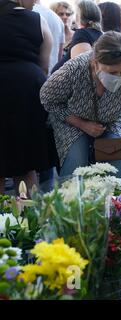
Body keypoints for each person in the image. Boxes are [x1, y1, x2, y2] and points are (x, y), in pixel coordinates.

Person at [40, 31, 121, 187]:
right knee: (77, 160)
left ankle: (115, 205)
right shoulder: (74, 70)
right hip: (71, 119)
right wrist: (82, 124)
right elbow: (47, 99)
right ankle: (73, 205)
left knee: (116, 164)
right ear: (95, 63)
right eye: (112, 72)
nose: (119, 77)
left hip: (111, 121)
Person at [0, 0, 57, 194]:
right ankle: (29, 220)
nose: (36, 2)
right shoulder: (38, 20)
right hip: (28, 92)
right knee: (26, 164)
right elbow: (44, 65)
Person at [51, 0, 102, 73]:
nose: (65, 17)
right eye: (61, 14)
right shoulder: (99, 34)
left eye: (68, 14)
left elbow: (81, 69)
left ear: (79, 16)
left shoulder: (82, 34)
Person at [33, 0, 65, 72]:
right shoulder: (57, 18)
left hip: (32, 74)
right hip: (52, 75)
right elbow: (59, 55)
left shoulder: (25, 13)